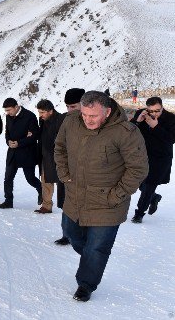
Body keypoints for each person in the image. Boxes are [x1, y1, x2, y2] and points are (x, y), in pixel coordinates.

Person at [54, 91, 148, 302]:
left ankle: (86, 284)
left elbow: (138, 169)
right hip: (75, 197)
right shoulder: (71, 121)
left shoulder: (126, 132)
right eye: (85, 114)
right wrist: (64, 174)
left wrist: (116, 195)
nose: (87, 120)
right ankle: (92, 260)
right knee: (71, 234)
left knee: (97, 247)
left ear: (107, 111)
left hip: (108, 203)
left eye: (93, 116)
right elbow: (59, 148)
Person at [130, 96, 175, 223]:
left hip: (160, 159)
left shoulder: (171, 118)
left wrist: (156, 126)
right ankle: (154, 198)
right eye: (151, 111)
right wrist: (137, 121)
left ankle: (139, 213)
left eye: (157, 110)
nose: (154, 113)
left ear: (162, 107)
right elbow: (129, 132)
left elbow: (171, 139)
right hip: (142, 156)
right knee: (140, 184)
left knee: (149, 185)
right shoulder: (141, 114)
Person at [0, 98, 41, 209]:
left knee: (30, 178)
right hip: (13, 152)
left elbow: (35, 135)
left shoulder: (30, 116)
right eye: (6, 111)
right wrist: (8, 141)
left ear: (16, 107)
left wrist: (19, 143)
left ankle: (41, 189)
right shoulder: (8, 116)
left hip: (27, 153)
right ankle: (8, 201)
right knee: (8, 178)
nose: (7, 113)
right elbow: (7, 132)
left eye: (9, 110)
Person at [55, 87, 85, 245]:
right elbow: (59, 147)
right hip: (67, 173)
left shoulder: (94, 119)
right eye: (67, 107)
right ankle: (67, 234)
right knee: (67, 205)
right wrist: (63, 171)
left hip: (88, 173)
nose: (69, 110)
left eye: (73, 106)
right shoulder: (64, 119)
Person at [35, 99, 66, 214]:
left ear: (50, 111)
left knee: (63, 183)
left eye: (42, 112)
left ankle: (68, 207)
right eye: (39, 112)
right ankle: (46, 206)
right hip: (45, 156)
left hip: (59, 157)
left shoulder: (61, 119)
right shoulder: (42, 120)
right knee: (45, 181)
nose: (40, 115)